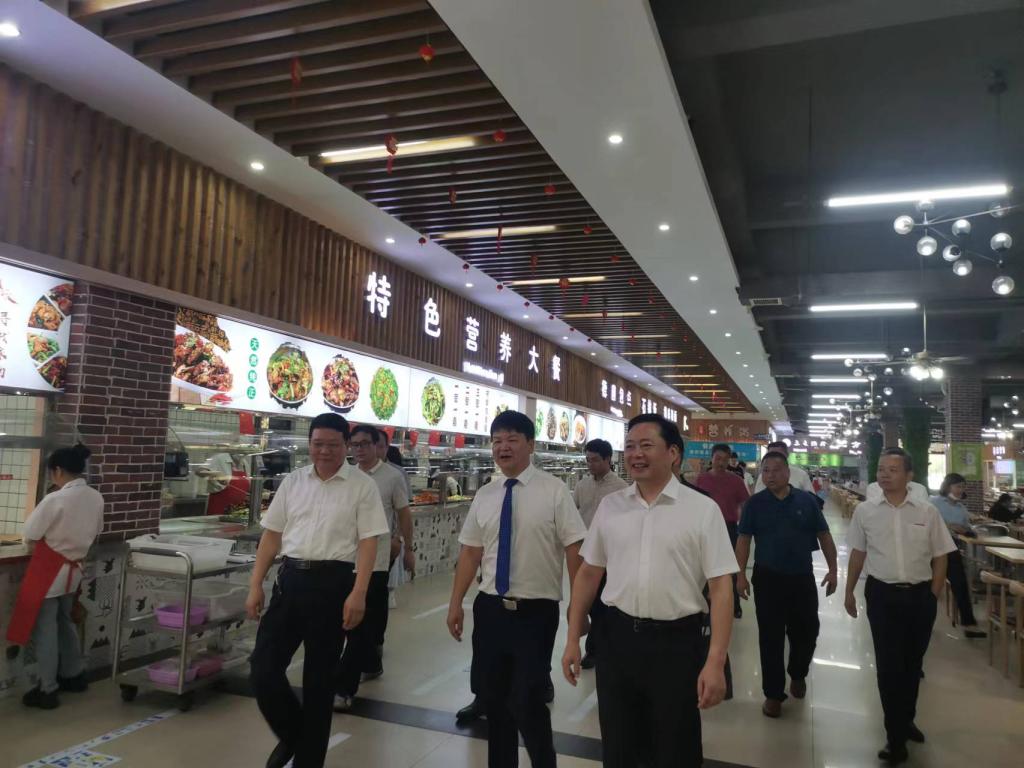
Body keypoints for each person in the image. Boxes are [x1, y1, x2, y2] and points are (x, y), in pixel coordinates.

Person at [563, 414, 737, 768]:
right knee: (619, 744)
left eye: (646, 445)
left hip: (676, 644)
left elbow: (721, 588)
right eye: (629, 446)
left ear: (673, 453)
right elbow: (589, 573)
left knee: (676, 747)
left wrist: (715, 661)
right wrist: (571, 637)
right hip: (617, 639)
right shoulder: (612, 506)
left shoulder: (702, 510)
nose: (635, 454)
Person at [247, 413, 389, 768]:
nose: (324, 451)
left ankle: (308, 760)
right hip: (290, 581)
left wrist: (359, 592)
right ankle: (293, 734)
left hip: (334, 585)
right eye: (318, 444)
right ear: (309, 444)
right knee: (263, 669)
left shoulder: (361, 486)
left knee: (319, 682)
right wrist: (255, 584)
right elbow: (272, 536)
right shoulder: (294, 482)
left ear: (346, 446)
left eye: (333, 445)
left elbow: (369, 542)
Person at [447, 411, 586, 768]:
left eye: (511, 439)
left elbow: (575, 550)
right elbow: (471, 552)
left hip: (535, 612)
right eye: (497, 441)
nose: (503, 447)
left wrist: (578, 608)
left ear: (531, 444)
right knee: (494, 700)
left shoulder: (554, 491)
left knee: (527, 699)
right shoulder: (486, 494)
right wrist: (456, 603)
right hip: (490, 609)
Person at [845, 448, 956, 765]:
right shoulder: (865, 511)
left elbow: (941, 555)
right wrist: (849, 592)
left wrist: (933, 596)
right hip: (882, 596)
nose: (884, 474)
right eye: (881, 469)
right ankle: (895, 738)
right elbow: (857, 554)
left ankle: (906, 719)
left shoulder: (927, 512)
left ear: (909, 476)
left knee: (912, 664)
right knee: (889, 667)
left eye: (893, 470)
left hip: (920, 596)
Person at [735, 451, 838, 718]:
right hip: (767, 578)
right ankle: (773, 694)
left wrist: (833, 569)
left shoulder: (806, 501)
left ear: (788, 473)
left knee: (807, 631)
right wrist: (740, 574)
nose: (770, 475)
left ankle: (798, 673)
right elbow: (744, 539)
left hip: (801, 577)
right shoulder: (755, 504)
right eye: (765, 471)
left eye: (776, 470)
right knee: (770, 636)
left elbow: (824, 534)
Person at [7, 445, 103, 710]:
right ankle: (74, 674)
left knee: (46, 628)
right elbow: (97, 529)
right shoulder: (96, 497)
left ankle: (47, 688)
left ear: (58, 470)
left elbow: (31, 532)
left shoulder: (55, 499)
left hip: (50, 571)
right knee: (65, 620)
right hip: (75, 570)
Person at [334, 426, 413, 711]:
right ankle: (370, 662)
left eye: (365, 444)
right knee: (350, 622)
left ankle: (344, 688)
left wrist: (407, 546)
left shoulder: (392, 476)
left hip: (377, 561)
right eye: (354, 444)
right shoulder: (345, 476)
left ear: (378, 446)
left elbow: (404, 514)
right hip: (345, 559)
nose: (359, 450)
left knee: (362, 624)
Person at [572, 438, 628, 669]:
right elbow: (574, 514)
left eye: (595, 460)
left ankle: (597, 651)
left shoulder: (621, 488)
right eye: (588, 460)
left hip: (609, 556)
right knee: (588, 602)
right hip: (585, 553)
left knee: (603, 605)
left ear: (608, 459)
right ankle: (596, 649)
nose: (590, 464)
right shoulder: (582, 486)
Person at [929, 473, 985, 639]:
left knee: (960, 583)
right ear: (948, 486)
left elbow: (967, 529)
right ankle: (922, 620)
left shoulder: (961, 509)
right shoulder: (934, 502)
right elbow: (926, 522)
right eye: (958, 486)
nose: (960, 490)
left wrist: (967, 531)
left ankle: (969, 624)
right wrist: (949, 525)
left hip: (951, 548)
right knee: (927, 586)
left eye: (963, 487)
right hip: (930, 548)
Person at [698, 443, 750, 619]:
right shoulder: (702, 479)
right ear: (711, 458)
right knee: (705, 566)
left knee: (729, 567)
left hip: (729, 528)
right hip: (704, 529)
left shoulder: (736, 481)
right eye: (718, 458)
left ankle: (734, 604)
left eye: (725, 460)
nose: (721, 463)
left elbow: (745, 503)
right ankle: (706, 605)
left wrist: (744, 525)